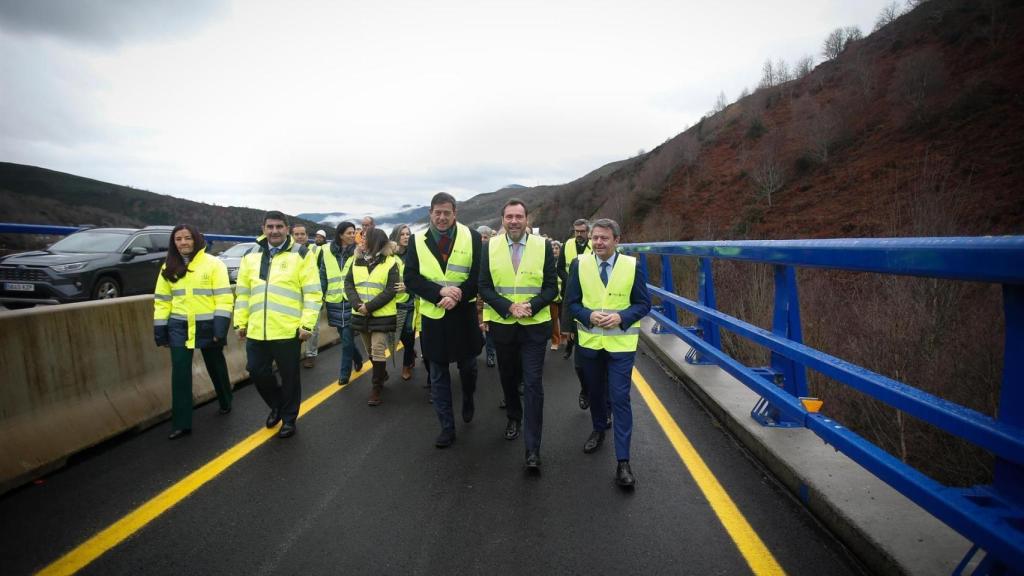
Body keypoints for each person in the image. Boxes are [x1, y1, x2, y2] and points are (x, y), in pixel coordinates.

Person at [565, 218, 651, 489]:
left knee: (620, 397)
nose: (599, 242)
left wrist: (621, 317)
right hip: (590, 343)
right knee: (595, 393)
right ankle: (599, 428)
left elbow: (643, 304)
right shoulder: (579, 264)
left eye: (604, 238)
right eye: (595, 238)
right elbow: (572, 303)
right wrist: (588, 315)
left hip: (621, 346)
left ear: (617, 240)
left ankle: (623, 461)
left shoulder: (632, 265)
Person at [480, 199, 558, 471]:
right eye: (509, 216)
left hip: (535, 326)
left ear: (527, 220)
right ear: (502, 220)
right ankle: (514, 416)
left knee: (534, 383)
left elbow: (551, 288)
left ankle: (533, 447)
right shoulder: (489, 247)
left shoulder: (543, 246)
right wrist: (508, 307)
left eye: (519, 216)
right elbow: (485, 287)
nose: (514, 221)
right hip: (504, 325)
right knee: (508, 377)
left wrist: (531, 306)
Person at [404, 192, 483, 448]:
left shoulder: (471, 237)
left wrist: (457, 295)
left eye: (446, 212)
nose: (441, 217)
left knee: (468, 367)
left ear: (455, 213)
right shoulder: (416, 241)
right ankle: (446, 427)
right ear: (430, 213)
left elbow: (478, 275)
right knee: (437, 374)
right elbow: (411, 278)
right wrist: (439, 292)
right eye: (437, 212)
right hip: (434, 317)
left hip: (463, 315)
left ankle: (468, 397)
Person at [234, 211, 322, 439]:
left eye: (279, 227)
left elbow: (313, 293)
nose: (274, 231)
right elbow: (243, 292)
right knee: (256, 371)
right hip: (256, 330)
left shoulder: (301, 254)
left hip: (287, 329)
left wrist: (307, 324)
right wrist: (240, 322)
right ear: (263, 228)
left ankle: (289, 419)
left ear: (287, 229)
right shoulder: (250, 254)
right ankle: (277, 406)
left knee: (290, 377)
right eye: (270, 227)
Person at [153, 224, 234, 440]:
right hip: (178, 327)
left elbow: (224, 298)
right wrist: (161, 330)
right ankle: (181, 423)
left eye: (187, 238)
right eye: (178, 239)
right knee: (180, 371)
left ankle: (226, 400)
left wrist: (220, 328)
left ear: (196, 239)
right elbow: (162, 301)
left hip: (208, 325)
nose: (183, 243)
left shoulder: (213, 264)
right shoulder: (167, 267)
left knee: (215, 365)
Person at [345, 228, 399, 406]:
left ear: (375, 242)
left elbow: (391, 290)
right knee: (370, 352)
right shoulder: (356, 260)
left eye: (366, 238)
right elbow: (349, 284)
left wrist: (369, 306)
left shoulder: (391, 263)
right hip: (360, 313)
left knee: (377, 349)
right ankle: (381, 373)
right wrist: (357, 305)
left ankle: (376, 387)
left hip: (381, 315)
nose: (361, 241)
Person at [320, 221, 364, 385]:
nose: (353, 236)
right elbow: (323, 276)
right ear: (340, 235)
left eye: (354, 233)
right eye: (349, 233)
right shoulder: (326, 251)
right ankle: (358, 359)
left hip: (351, 301)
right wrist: (320, 299)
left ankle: (344, 374)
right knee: (344, 337)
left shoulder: (358, 252)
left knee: (346, 339)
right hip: (334, 301)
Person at [389, 224, 417, 381]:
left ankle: (406, 366)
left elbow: (420, 278)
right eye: (402, 234)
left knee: (409, 333)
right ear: (395, 236)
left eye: (408, 234)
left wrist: (408, 286)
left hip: (410, 301)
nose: (406, 237)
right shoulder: (388, 255)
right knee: (396, 338)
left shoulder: (414, 255)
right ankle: (410, 350)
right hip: (391, 303)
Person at [292, 224, 322, 369]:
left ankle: (311, 355)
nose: (299, 237)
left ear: (307, 236)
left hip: (311, 294)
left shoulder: (315, 250)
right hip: (294, 297)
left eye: (302, 234)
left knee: (312, 327)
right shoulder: (288, 253)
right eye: (296, 234)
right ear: (292, 236)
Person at [475, 225, 498, 369]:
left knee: (489, 327)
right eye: (480, 237)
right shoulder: (472, 253)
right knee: (475, 327)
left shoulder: (495, 254)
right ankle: (479, 344)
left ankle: (491, 354)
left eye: (485, 237)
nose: (483, 240)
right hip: (474, 297)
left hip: (489, 297)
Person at [549, 240, 564, 351]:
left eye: (557, 248)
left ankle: (564, 337)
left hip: (563, 295)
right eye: (552, 248)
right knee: (553, 320)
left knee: (563, 318)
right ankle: (555, 341)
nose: (554, 250)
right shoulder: (547, 262)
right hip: (552, 297)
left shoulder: (563, 262)